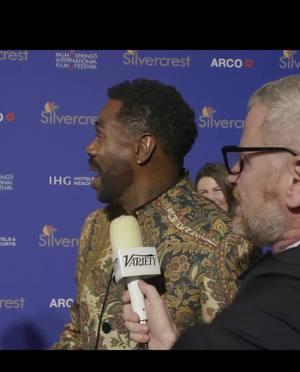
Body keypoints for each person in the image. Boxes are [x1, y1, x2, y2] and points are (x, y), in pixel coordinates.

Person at [52, 78, 257, 350]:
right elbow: (77, 331)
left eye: (101, 135)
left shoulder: (225, 241)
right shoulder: (96, 225)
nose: (91, 148)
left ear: (142, 147)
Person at [123, 74, 300, 350]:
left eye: (245, 161)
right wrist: (170, 341)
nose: (232, 177)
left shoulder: (283, 293)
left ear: (295, 181)